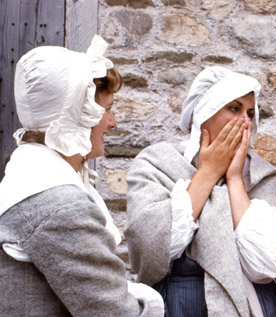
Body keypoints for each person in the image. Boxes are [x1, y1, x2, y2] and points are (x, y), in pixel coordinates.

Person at [0, 36, 163, 316]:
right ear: (77, 114)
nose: (112, 122)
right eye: (107, 110)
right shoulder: (59, 205)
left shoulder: (29, 179)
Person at [125, 66, 276, 316]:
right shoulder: (157, 163)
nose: (245, 121)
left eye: (251, 113)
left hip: (253, 304)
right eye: (234, 108)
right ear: (205, 113)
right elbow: (148, 252)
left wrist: (234, 178)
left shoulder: (263, 176)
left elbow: (266, 265)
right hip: (180, 305)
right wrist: (209, 172)